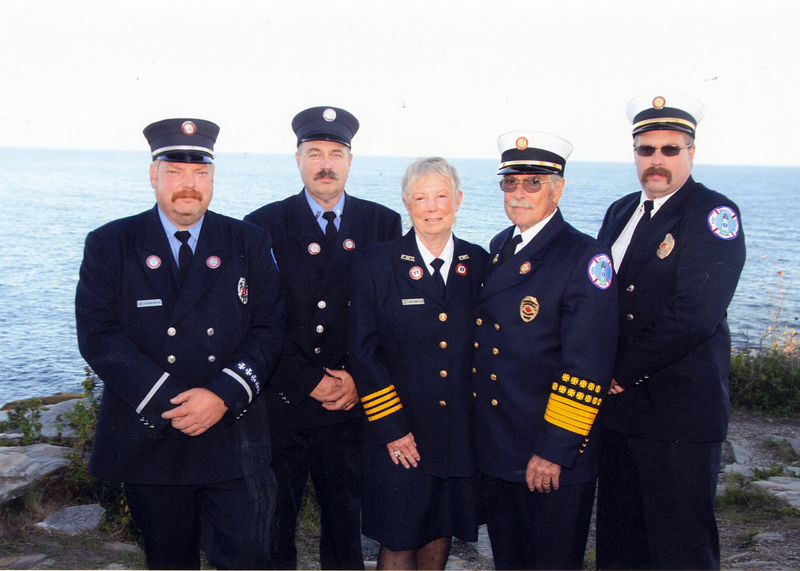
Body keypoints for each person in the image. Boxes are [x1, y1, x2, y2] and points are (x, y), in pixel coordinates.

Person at [75, 119, 286, 569]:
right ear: (153, 175)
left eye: (200, 173)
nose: (188, 185)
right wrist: (174, 403)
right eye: (174, 171)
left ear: (212, 177)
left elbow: (270, 327)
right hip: (153, 436)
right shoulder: (111, 243)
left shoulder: (248, 241)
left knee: (250, 559)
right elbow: (98, 334)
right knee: (170, 561)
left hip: (233, 436)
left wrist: (222, 395)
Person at [245, 106, 402, 570]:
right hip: (285, 402)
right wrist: (306, 379)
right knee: (277, 526)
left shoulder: (382, 224)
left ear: (351, 162)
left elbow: (386, 317)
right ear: (298, 160)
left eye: (336, 153)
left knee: (344, 526)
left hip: (351, 405)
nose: (326, 164)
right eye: (315, 153)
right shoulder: (262, 225)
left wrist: (357, 377)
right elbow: (258, 317)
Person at [595, 92, 746, 570]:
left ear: (691, 152)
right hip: (619, 413)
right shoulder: (621, 211)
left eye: (669, 149)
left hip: (679, 412)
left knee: (680, 547)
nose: (655, 161)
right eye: (646, 150)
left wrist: (619, 370)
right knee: (621, 543)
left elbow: (695, 312)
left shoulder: (713, 214)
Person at [472, 132, 618, 570]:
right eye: (510, 183)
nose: (519, 193)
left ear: (559, 188)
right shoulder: (501, 246)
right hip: (501, 445)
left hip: (549, 449)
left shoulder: (585, 257)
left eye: (533, 183)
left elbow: (587, 365)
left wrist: (555, 449)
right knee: (510, 560)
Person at [349, 157, 488, 570]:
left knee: (440, 527)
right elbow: (363, 351)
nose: (432, 207)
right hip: (398, 430)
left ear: (458, 200)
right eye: (421, 198)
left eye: (441, 196)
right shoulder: (376, 263)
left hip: (456, 433)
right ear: (407, 204)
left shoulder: (479, 262)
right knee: (399, 535)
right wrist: (393, 429)